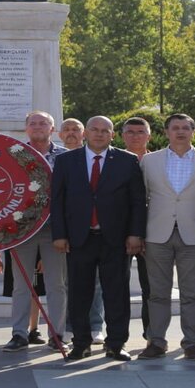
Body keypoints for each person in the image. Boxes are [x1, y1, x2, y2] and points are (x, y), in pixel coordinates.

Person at [51, 116, 145, 361]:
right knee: (79, 293)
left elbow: (137, 201)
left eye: (106, 130)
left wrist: (135, 233)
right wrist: (59, 235)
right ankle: (80, 343)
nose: (100, 134)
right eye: (95, 129)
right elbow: (57, 201)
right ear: (86, 133)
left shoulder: (127, 160)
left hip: (115, 238)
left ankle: (116, 344)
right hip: (79, 238)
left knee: (116, 293)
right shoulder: (65, 161)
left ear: (112, 135)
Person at [137, 113, 195, 362]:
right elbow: (139, 200)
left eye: (186, 127)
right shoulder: (150, 161)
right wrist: (139, 234)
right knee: (157, 293)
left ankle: (193, 343)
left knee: (193, 293)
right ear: (166, 132)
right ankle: (156, 341)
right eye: (175, 128)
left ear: (193, 132)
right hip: (157, 234)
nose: (181, 132)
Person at [2, 111, 68, 352]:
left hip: (55, 230)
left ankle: (57, 334)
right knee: (21, 285)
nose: (38, 127)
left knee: (56, 284)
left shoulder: (67, 157)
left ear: (53, 129)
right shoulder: (14, 155)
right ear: (26, 129)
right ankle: (19, 334)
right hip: (21, 230)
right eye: (33, 123)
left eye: (43, 123)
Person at [120, 117, 153, 338]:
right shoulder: (114, 160)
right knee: (118, 287)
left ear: (148, 136)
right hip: (120, 233)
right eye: (130, 132)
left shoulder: (158, 161)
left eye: (140, 132)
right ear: (122, 135)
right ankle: (117, 335)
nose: (135, 136)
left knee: (151, 288)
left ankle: (151, 334)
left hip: (153, 232)